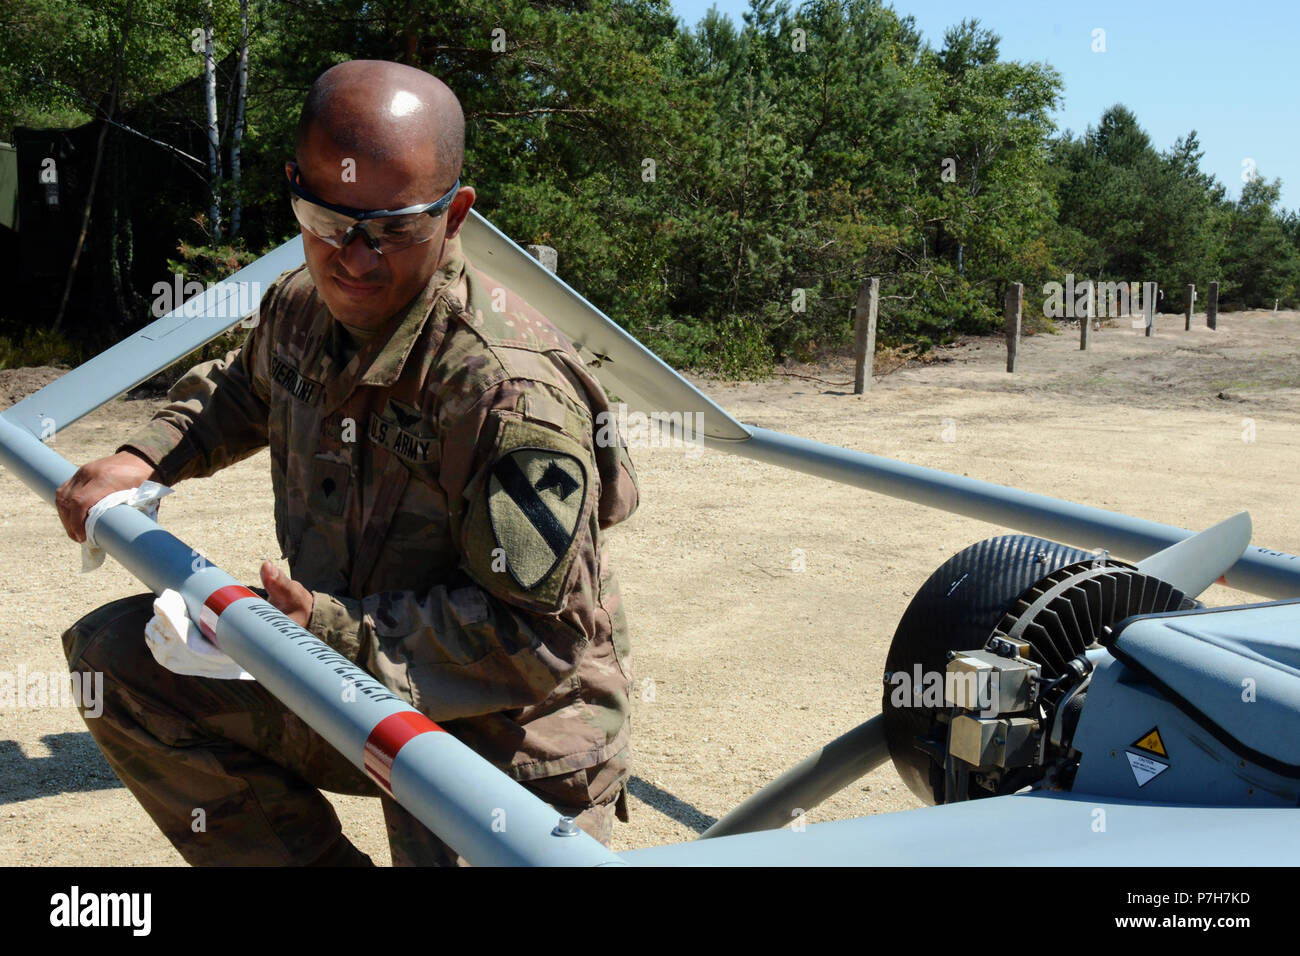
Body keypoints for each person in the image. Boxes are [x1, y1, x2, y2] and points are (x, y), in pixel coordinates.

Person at [53, 60, 640, 866]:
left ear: (454, 213)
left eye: (393, 228)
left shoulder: (508, 395)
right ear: (295, 190)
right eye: (325, 219)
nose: (353, 260)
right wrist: (143, 453)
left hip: (507, 739)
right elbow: (243, 391)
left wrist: (318, 632)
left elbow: (536, 642)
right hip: (345, 680)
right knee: (118, 663)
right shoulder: (300, 304)